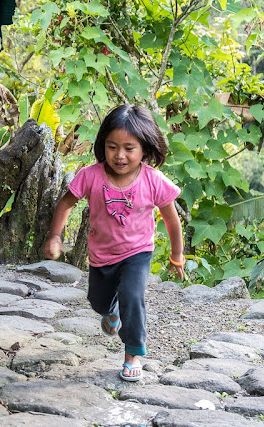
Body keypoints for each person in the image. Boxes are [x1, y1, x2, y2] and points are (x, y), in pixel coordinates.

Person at [43, 104, 185, 382]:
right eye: (112, 147)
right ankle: (110, 313)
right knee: (98, 302)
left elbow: (171, 219)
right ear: (102, 146)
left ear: (144, 148)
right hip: (101, 257)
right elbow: (65, 204)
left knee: (133, 297)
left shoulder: (153, 181)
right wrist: (55, 236)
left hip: (138, 253)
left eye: (129, 148)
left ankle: (133, 353)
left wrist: (177, 256)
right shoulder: (91, 176)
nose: (120, 156)